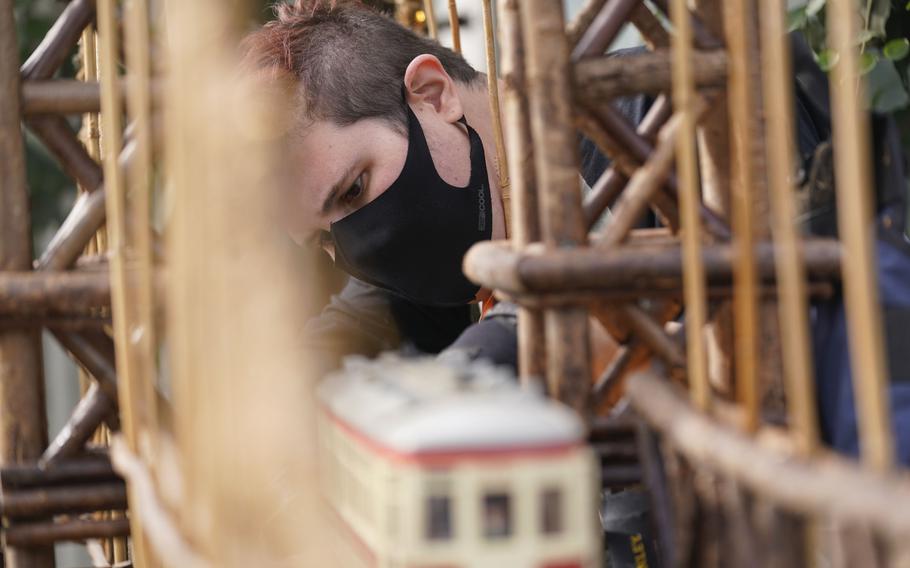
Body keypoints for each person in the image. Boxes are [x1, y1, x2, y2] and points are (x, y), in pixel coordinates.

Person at [243, 0, 910, 463]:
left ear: (433, 94)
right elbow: (340, 337)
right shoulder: (430, 269)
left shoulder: (655, 120)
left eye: (355, 190)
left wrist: (482, 369)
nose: (360, 244)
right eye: (327, 240)